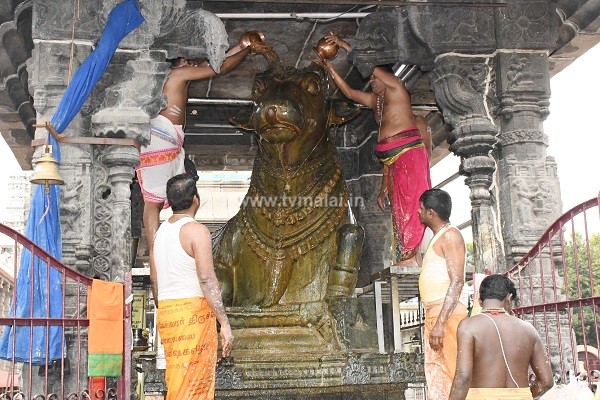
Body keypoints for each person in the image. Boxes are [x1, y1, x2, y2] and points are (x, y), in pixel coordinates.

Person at [320, 34, 432, 267]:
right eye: (370, 78)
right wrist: (329, 67)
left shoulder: (397, 88)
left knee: (412, 205)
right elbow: (349, 93)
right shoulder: (376, 100)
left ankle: (413, 256)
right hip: (392, 159)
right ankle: (408, 256)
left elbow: (366, 64)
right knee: (399, 209)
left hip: (410, 153)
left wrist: (342, 44)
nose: (371, 80)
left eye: (374, 77)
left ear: (386, 76)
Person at [136, 40, 252, 253]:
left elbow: (217, 61)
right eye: (186, 59)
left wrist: (243, 44)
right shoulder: (177, 75)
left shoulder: (182, 73)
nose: (190, 62)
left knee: (169, 196)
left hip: (170, 140)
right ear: (177, 62)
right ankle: (154, 250)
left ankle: (168, 243)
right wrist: (248, 49)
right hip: (161, 139)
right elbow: (220, 68)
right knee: (153, 199)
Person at [151, 173, 233, 400]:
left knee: (179, 381)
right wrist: (224, 323)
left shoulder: (160, 234)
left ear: (169, 202)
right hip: (192, 315)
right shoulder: (197, 231)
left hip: (168, 314)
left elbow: (155, 279)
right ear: (195, 199)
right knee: (194, 385)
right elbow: (207, 279)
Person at [449, 274, 554, 400]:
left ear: (480, 301)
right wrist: (523, 395)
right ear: (509, 298)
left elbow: (463, 376)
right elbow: (546, 381)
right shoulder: (529, 330)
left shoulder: (469, 326)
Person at [417, 188, 468, 399]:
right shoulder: (438, 237)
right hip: (437, 313)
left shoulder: (450, 235)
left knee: (451, 373)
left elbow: (457, 282)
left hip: (446, 316)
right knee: (438, 377)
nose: (418, 213)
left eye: (420, 208)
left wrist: (440, 323)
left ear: (431, 212)